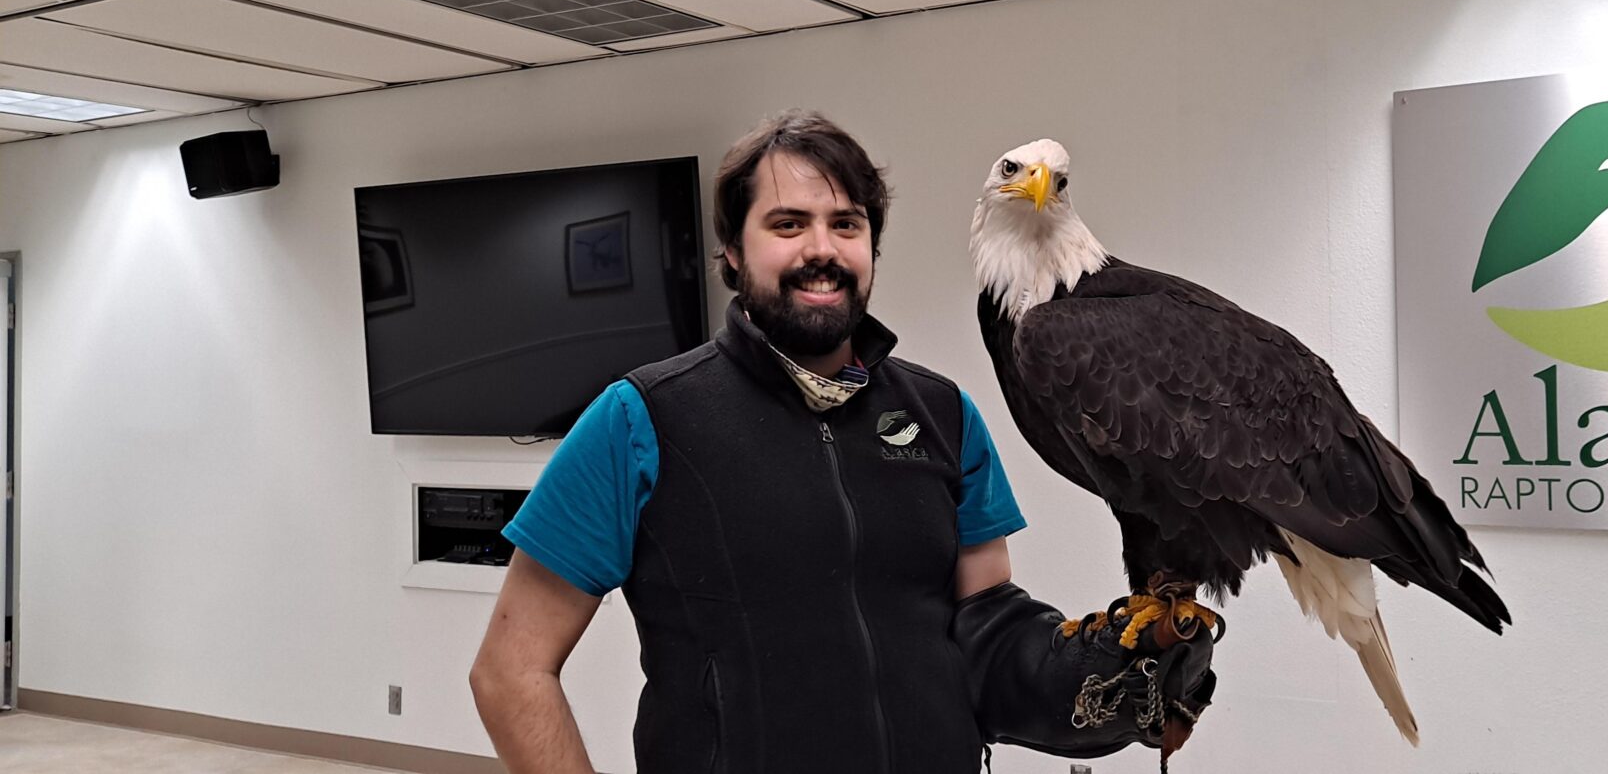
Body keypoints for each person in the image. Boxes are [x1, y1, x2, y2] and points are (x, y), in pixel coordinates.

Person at [468, 111, 1215, 774]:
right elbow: (511, 668)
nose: (820, 248)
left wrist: (1099, 672)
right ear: (732, 250)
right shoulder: (640, 418)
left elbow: (985, 631)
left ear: (871, 249)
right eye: (787, 224)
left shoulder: (945, 415)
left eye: (846, 224)